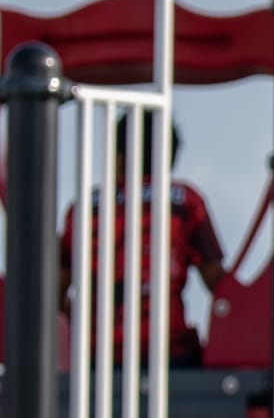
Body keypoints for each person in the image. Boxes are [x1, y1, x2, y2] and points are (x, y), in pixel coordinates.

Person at [57, 119, 222, 365]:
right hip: (169, 354)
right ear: (169, 156)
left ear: (119, 155)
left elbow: (55, 291)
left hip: (96, 357)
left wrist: (85, 323)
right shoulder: (185, 203)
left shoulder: (83, 209)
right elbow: (218, 284)